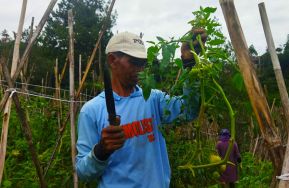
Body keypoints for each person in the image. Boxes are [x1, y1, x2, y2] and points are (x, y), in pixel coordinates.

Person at [76, 29, 207, 187]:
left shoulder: (152, 98)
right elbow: (83, 172)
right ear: (112, 60)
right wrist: (101, 151)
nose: (141, 69)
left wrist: (189, 63)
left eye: (143, 63)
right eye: (134, 62)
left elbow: (189, 110)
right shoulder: (91, 111)